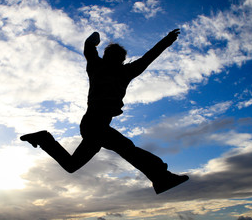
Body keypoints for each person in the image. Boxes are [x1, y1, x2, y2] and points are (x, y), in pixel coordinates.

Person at [21, 29, 189, 194]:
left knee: (72, 165)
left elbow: (145, 57)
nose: (116, 61)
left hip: (93, 125)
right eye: (115, 57)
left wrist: (95, 39)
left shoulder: (110, 68)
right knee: (127, 149)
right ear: (114, 58)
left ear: (121, 60)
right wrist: (167, 41)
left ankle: (43, 138)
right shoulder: (106, 68)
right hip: (95, 123)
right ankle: (161, 178)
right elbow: (146, 57)